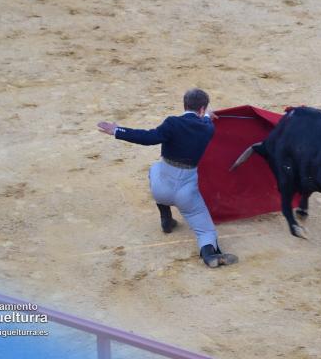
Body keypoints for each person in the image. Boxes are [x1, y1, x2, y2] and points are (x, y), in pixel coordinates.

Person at [97, 88, 238, 268]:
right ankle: (209, 254)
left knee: (154, 168)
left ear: (184, 105)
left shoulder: (172, 123)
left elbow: (147, 137)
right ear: (202, 109)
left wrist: (118, 131)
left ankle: (166, 217)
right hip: (187, 194)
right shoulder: (208, 128)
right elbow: (205, 121)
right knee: (205, 231)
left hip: (160, 188)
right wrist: (208, 116)